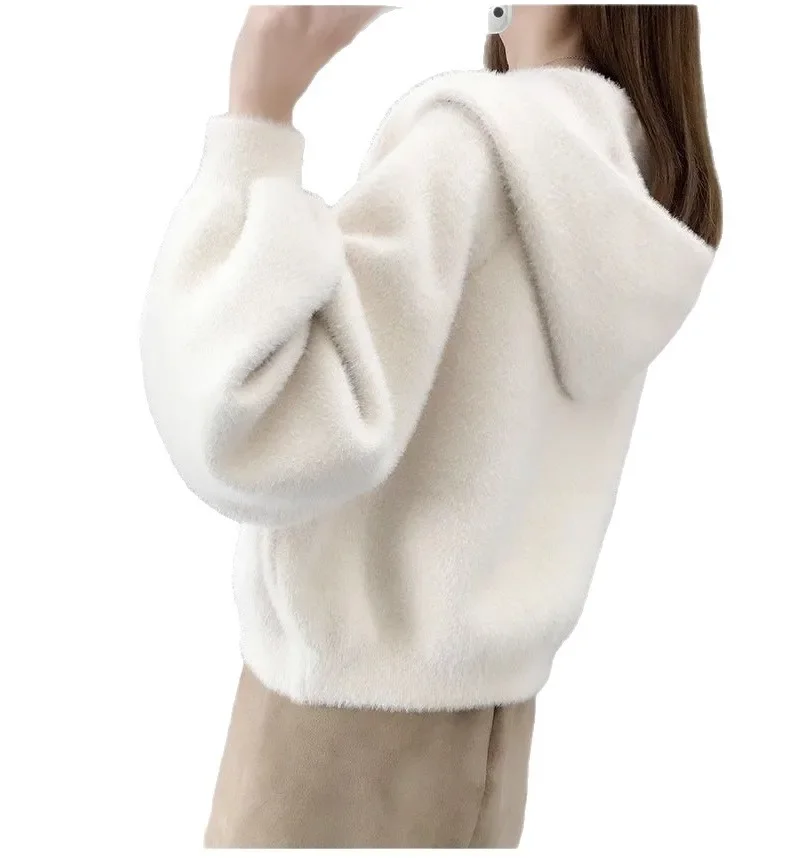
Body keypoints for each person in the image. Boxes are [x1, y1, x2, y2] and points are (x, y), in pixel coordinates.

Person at [139, 4, 722, 849]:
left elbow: (248, 426)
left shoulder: (470, 145)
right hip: (485, 743)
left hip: (336, 745)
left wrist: (257, 114)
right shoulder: (618, 168)